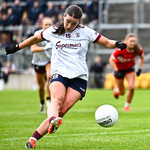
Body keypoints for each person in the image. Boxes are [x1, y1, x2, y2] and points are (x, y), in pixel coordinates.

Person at [5, 5, 127, 149]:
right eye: (67, 21)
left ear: (79, 22)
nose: (69, 25)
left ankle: (40, 132)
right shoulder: (54, 30)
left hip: (79, 77)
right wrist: (17, 47)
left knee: (61, 111)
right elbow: (35, 38)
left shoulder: (86, 32)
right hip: (60, 72)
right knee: (56, 100)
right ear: (64, 16)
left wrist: (117, 44)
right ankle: (38, 134)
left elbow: (106, 42)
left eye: (73, 23)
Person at [109, 33, 144, 112]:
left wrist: (140, 69)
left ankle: (127, 106)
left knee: (132, 87)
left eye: (134, 41)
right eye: (131, 41)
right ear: (126, 41)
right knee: (122, 93)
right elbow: (111, 59)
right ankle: (116, 88)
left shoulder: (137, 49)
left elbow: (142, 57)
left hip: (129, 69)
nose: (132, 43)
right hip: (119, 69)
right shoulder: (121, 49)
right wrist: (116, 70)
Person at [30, 17, 53, 113]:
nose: (48, 26)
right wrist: (45, 48)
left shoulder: (55, 34)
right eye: (46, 24)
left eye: (49, 24)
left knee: (50, 77)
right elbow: (33, 49)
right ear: (42, 25)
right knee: (40, 86)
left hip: (49, 60)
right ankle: (42, 103)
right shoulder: (37, 34)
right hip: (38, 61)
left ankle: (48, 100)